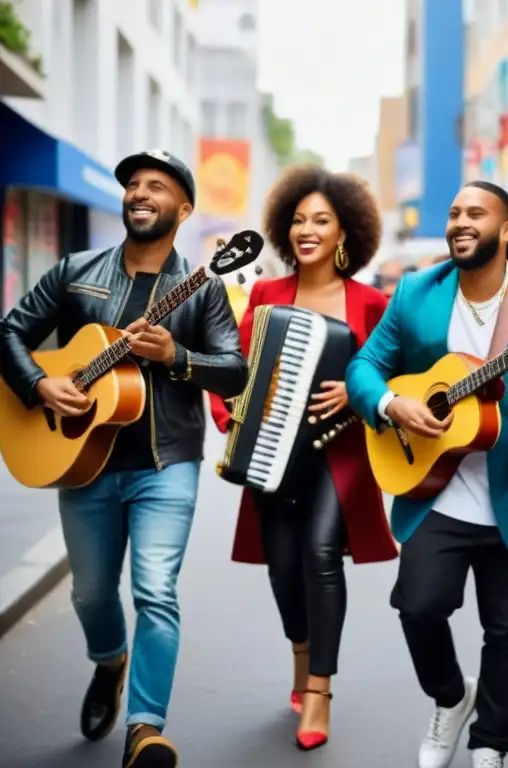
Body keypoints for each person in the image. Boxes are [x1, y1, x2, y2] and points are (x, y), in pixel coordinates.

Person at [0, 149, 247, 768]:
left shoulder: (206, 287)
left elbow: (235, 372)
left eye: (155, 185)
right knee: (89, 594)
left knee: (156, 591)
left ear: (183, 209)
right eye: (133, 184)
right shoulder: (75, 271)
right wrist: (36, 384)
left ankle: (145, 729)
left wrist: (175, 358)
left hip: (167, 464)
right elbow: (8, 333)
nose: (139, 192)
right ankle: (110, 660)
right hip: (81, 461)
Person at [345, 181, 508, 768]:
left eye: (475, 213)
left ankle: (489, 743)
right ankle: (451, 699)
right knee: (418, 607)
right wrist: (389, 405)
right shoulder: (415, 293)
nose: (460, 221)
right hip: (437, 492)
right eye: (454, 212)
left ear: (506, 230)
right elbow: (364, 367)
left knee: (506, 628)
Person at [208, 165, 399, 750]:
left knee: (320, 556)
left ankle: (319, 690)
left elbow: (391, 371)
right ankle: (301, 651)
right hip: (270, 454)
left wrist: (357, 391)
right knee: (281, 564)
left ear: (346, 233)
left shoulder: (372, 301)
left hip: (338, 458)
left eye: (321, 220)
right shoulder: (264, 294)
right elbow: (232, 368)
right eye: (298, 220)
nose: (306, 230)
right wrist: (231, 417)